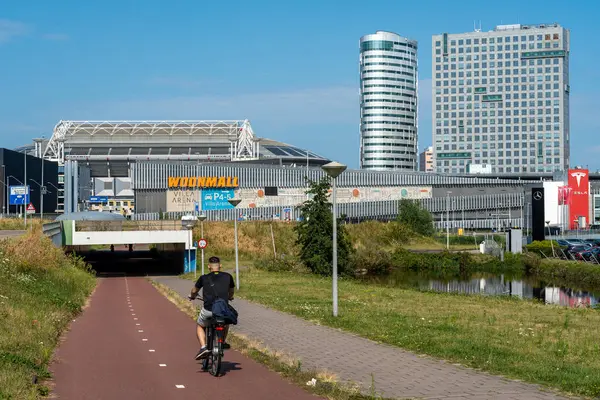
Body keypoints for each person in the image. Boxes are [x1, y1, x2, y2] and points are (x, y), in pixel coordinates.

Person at [188, 256, 234, 360]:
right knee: (225, 322)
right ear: (220, 266)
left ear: (209, 267)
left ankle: (203, 347)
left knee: (200, 325)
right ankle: (222, 341)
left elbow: (194, 290)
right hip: (222, 309)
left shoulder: (203, 278)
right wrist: (230, 297)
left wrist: (192, 296)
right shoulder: (228, 276)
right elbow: (231, 291)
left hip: (208, 309)